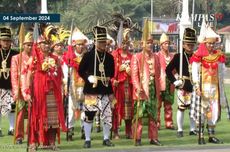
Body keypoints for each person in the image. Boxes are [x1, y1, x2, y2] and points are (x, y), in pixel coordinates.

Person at [27, 34, 67, 151]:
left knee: (53, 120)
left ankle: (51, 143)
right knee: (36, 117)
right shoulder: (34, 58)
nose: (46, 45)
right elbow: (29, 76)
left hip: (53, 93)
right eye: (43, 43)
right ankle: (33, 143)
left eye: (47, 43)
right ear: (39, 45)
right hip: (38, 93)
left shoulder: (55, 59)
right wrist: (28, 92)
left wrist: (62, 87)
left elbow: (60, 75)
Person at [78, 25, 115, 148]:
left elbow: (111, 74)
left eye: (105, 41)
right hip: (91, 90)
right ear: (95, 42)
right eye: (101, 42)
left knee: (107, 115)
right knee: (89, 115)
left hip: (104, 90)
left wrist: (110, 93)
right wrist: (88, 77)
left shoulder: (110, 58)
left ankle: (106, 138)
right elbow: (80, 70)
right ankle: (87, 139)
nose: (104, 44)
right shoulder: (88, 56)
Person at [190, 26, 226, 144]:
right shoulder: (198, 55)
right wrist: (196, 86)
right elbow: (194, 72)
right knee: (202, 112)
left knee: (213, 111)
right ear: (205, 43)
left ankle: (211, 135)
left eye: (212, 43)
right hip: (203, 88)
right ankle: (200, 135)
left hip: (214, 89)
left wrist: (221, 87)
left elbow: (221, 72)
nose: (211, 46)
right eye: (209, 43)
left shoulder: (218, 55)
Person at [166, 28, 197, 137]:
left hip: (194, 86)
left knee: (193, 109)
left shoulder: (196, 57)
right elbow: (168, 70)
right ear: (183, 44)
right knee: (181, 108)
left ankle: (193, 129)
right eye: (188, 44)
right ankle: (180, 129)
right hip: (182, 85)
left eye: (192, 44)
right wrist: (175, 81)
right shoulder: (178, 57)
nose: (190, 46)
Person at [131, 35, 162, 146]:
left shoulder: (156, 57)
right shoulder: (137, 57)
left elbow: (158, 75)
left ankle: (153, 138)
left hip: (153, 89)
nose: (150, 44)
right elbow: (134, 76)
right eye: (147, 42)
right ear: (142, 44)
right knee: (139, 115)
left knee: (153, 115)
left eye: (151, 42)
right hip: (142, 90)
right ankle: (137, 138)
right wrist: (138, 87)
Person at [62, 27, 88, 140]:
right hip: (72, 86)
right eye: (78, 45)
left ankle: (84, 128)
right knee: (71, 109)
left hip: (85, 87)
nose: (80, 46)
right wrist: (65, 84)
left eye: (82, 44)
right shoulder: (68, 58)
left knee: (85, 109)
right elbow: (65, 72)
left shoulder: (87, 57)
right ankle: (70, 129)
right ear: (74, 46)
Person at [10, 32, 33, 144]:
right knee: (20, 113)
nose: (30, 47)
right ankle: (19, 136)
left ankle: (31, 134)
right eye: (27, 44)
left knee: (32, 113)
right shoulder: (16, 58)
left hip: (33, 90)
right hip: (20, 90)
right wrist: (15, 91)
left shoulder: (36, 57)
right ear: (23, 45)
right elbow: (14, 76)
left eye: (31, 45)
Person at [111, 28, 133, 139]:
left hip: (128, 86)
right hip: (117, 87)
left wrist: (131, 72)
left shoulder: (131, 56)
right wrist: (118, 69)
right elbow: (110, 71)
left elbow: (135, 71)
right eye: (123, 43)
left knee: (129, 109)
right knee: (116, 109)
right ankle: (115, 131)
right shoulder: (114, 55)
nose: (125, 45)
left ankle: (128, 130)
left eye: (127, 43)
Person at [0, 27, 18, 137]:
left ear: (10, 41)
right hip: (0, 85)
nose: (6, 42)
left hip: (11, 85)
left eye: (8, 40)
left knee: (12, 107)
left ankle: (11, 128)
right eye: (3, 40)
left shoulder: (16, 54)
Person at [156, 33, 175, 130]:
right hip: (160, 83)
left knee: (168, 104)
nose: (167, 45)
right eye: (165, 44)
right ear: (161, 45)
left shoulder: (172, 56)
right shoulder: (157, 56)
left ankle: (169, 122)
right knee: (158, 105)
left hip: (170, 83)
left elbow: (175, 70)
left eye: (168, 43)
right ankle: (157, 123)